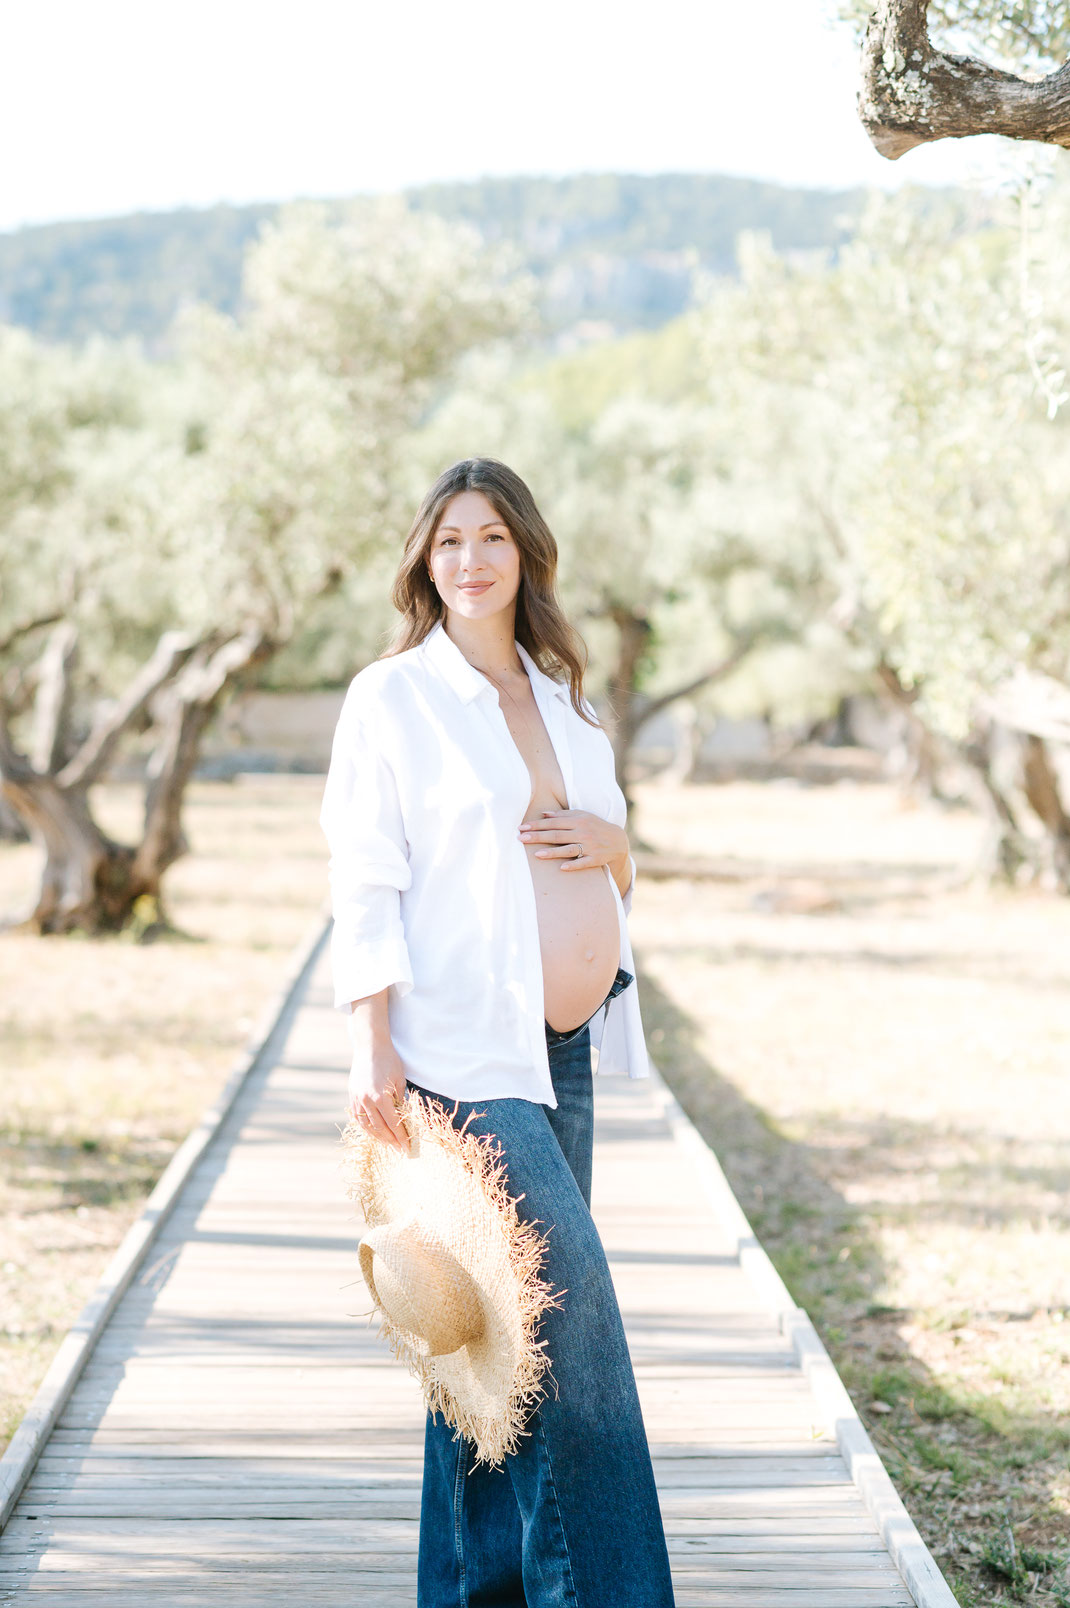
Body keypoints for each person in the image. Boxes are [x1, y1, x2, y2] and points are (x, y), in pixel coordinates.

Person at [319, 457, 676, 1608]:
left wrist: (611, 847)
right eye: (447, 543)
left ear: (527, 554)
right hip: (460, 1060)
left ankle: (467, 1593)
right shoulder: (395, 698)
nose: (469, 561)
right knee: (576, 1350)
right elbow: (365, 878)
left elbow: (612, 848)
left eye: (491, 540)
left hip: (559, 1053)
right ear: (425, 563)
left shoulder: (561, 696)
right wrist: (371, 1046)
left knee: (490, 1353)